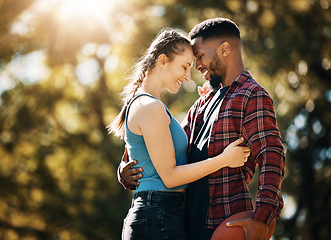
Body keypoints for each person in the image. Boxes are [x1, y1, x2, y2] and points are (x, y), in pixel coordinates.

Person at [119, 18, 285, 240]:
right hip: (185, 223)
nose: (196, 67)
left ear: (224, 49)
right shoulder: (201, 103)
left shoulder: (251, 95)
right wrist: (123, 168)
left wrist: (262, 217)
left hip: (223, 220)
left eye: (199, 57)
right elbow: (164, 149)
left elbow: (271, 154)